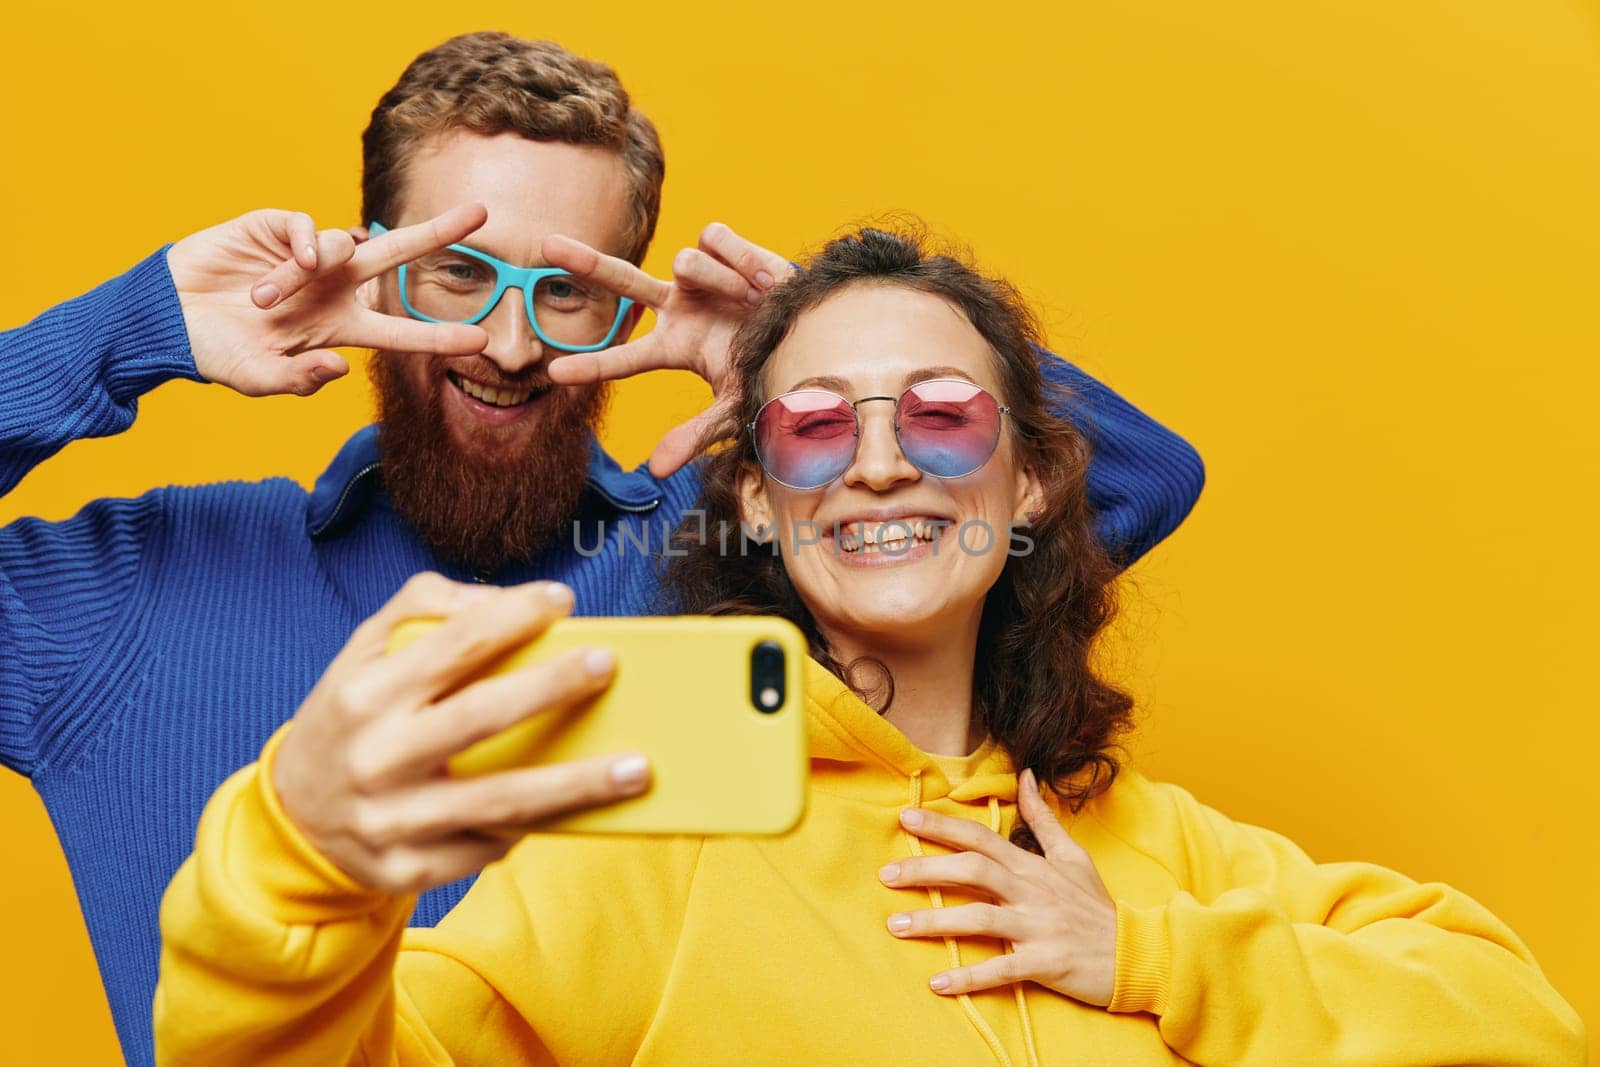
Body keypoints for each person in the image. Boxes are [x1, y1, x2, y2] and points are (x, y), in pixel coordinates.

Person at [0, 32, 1203, 1065]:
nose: (510, 344)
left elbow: (1130, 483)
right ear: (370, 260)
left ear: (629, 301)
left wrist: (810, 356)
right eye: (458, 275)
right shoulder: (129, 594)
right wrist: (133, 330)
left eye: (565, 291)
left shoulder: (743, 562)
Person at [153, 226, 1584, 1065]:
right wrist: (300, 859)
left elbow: (1520, 1023)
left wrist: (1147, 952)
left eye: (945, 415)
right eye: (817, 422)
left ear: (1030, 482)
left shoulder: (1164, 849)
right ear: (762, 502)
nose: (882, 464)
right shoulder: (644, 857)